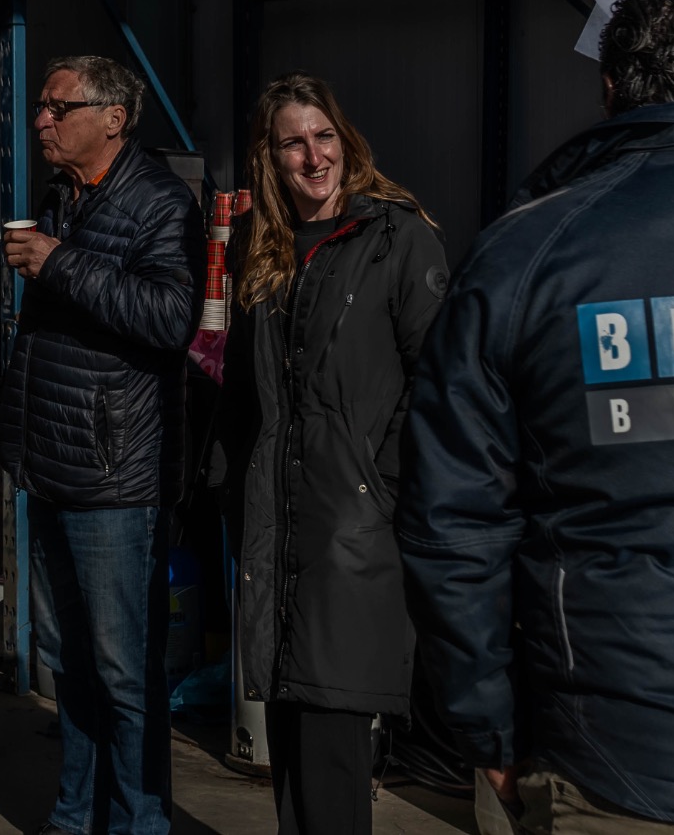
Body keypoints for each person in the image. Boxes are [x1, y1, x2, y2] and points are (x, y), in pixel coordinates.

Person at [399, 0, 674, 835]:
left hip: (614, 751)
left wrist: (486, 729)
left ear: (610, 86)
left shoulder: (523, 256)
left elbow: (453, 523)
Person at [216, 73, 448, 835]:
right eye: (294, 142)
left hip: (353, 539)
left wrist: (379, 486)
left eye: (324, 137)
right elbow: (247, 393)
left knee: (333, 761)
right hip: (277, 535)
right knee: (292, 768)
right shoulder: (263, 248)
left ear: (345, 141)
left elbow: (438, 385)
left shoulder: (397, 238)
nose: (314, 157)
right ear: (270, 156)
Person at [0, 55, 202, 835]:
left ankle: (139, 820)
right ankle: (75, 814)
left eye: (60, 107)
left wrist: (58, 261)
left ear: (114, 117)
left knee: (123, 670)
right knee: (69, 660)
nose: (42, 120)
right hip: (52, 463)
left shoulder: (160, 202)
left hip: (116, 476)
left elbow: (168, 318)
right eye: (42, 107)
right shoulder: (64, 195)